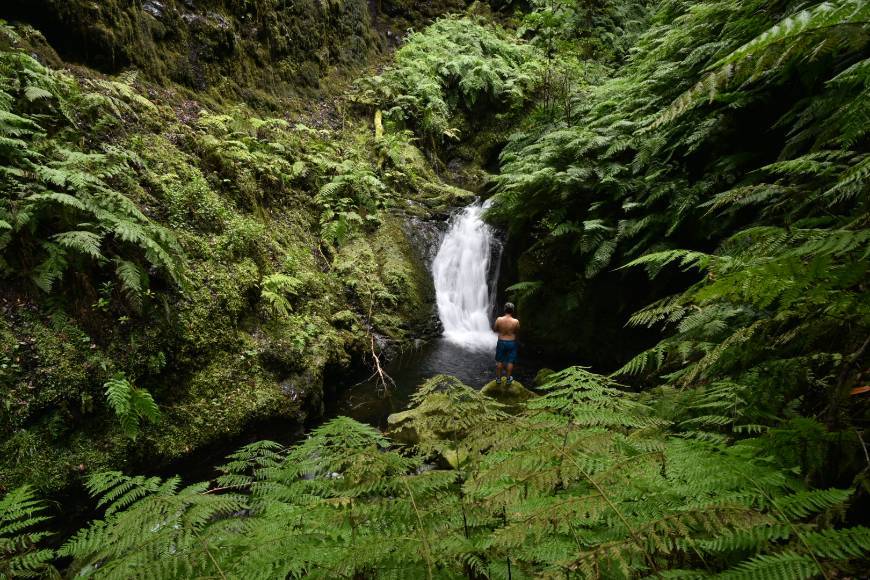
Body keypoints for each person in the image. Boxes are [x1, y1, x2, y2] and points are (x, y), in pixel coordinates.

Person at [493, 302, 520, 384]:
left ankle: (498, 379)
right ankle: (508, 379)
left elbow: (495, 329)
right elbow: (517, 331)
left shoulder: (499, 319)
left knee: (499, 360)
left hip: (501, 341)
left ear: (504, 310)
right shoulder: (516, 321)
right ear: (512, 311)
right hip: (511, 342)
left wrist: (501, 331)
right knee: (510, 361)